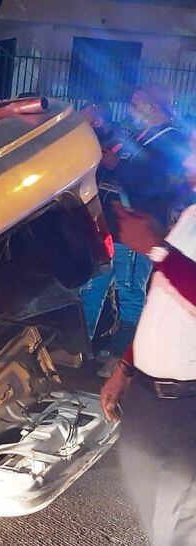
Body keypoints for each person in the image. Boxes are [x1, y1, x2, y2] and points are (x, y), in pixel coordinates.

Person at [99, 146, 196, 545]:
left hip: (187, 408)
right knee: (153, 515)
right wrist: (125, 368)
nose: (187, 162)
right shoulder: (191, 214)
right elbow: (165, 302)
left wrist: (157, 249)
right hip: (148, 398)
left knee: (178, 526)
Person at [81, 83, 191, 376]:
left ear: (153, 107)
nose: (130, 107)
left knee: (129, 289)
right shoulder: (142, 135)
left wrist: (117, 164)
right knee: (95, 285)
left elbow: (155, 184)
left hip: (139, 230)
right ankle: (82, 344)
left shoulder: (170, 139)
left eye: (137, 103)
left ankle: (122, 356)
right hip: (116, 226)